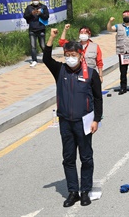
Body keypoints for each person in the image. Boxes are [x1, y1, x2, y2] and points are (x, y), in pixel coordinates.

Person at [43, 28, 102, 208]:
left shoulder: (91, 74)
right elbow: (46, 59)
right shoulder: (60, 70)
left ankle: (85, 191)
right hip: (66, 122)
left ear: (81, 55)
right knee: (68, 158)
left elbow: (98, 98)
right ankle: (72, 192)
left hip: (84, 122)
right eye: (67, 54)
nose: (70, 58)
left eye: (73, 54)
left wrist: (96, 120)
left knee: (86, 157)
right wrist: (52, 37)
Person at [107, 12, 129, 94]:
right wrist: (110, 21)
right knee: (123, 71)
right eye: (124, 16)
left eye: (128, 16)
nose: (126, 17)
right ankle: (123, 87)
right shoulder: (118, 26)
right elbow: (109, 29)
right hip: (122, 52)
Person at [23, 0, 49, 67]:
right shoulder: (29, 8)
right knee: (33, 46)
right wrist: (31, 13)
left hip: (41, 29)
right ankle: (34, 60)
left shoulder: (43, 7)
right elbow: (25, 16)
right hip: (32, 29)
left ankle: (47, 58)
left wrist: (40, 13)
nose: (35, 1)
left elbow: (46, 16)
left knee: (43, 45)